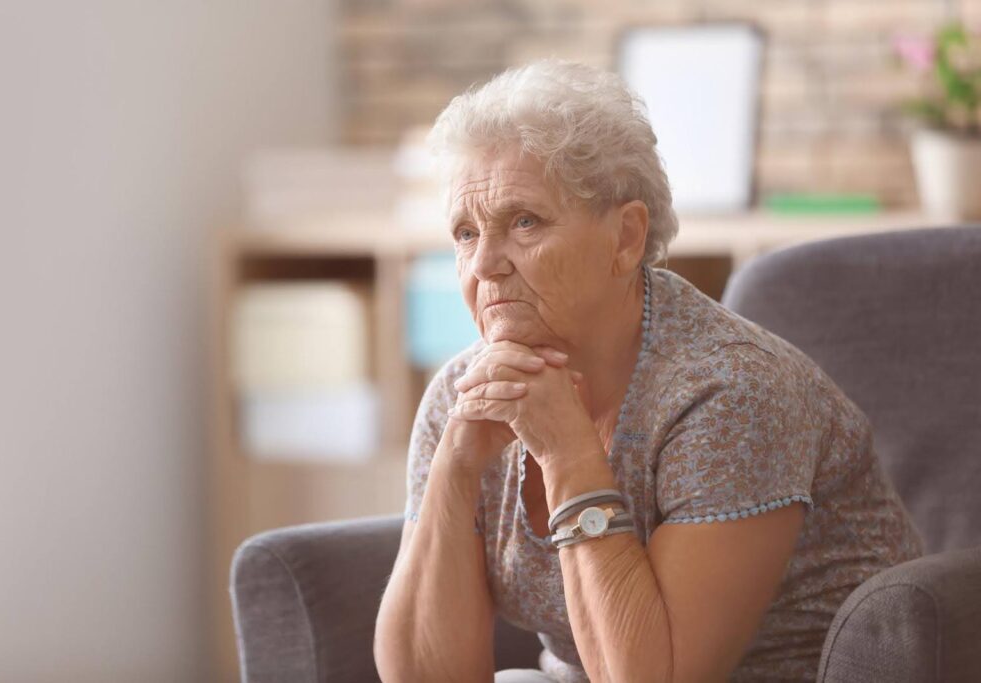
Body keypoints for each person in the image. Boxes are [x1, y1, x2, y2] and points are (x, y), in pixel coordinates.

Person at [373, 58, 924, 683]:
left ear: (627, 237)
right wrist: (455, 468)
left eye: (524, 221)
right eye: (465, 234)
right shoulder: (461, 392)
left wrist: (568, 454)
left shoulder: (731, 392)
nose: (486, 265)